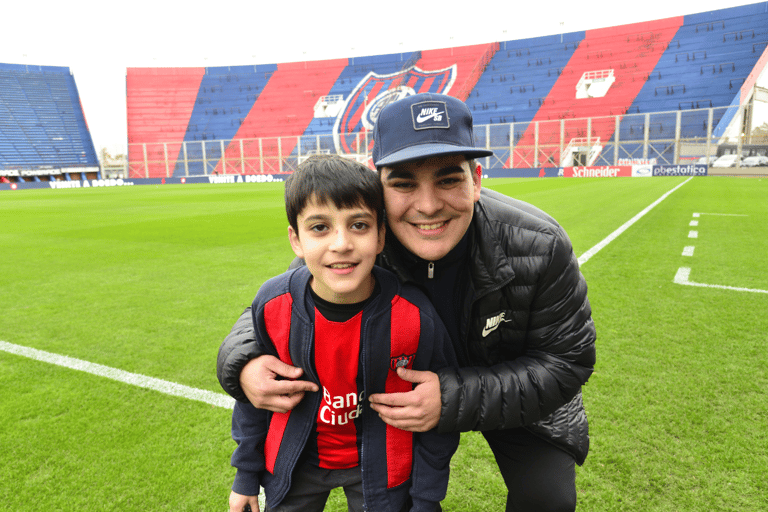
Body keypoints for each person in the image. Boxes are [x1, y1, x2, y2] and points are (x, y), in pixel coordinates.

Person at [218, 93, 597, 511]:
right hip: (398, 405)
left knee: (548, 499)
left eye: (449, 179)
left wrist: (450, 398)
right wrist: (243, 365)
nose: (429, 204)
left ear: (477, 180)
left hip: (514, 394)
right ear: (378, 187)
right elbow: (278, 309)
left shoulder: (540, 244)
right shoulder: (359, 243)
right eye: (403, 183)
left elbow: (566, 361)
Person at [224, 154, 459, 512]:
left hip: (383, 469)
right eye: (320, 228)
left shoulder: (415, 315)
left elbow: (438, 413)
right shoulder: (273, 304)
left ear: (381, 236)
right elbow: (253, 396)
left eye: (359, 225)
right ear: (296, 240)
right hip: (296, 460)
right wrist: (245, 476)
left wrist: (426, 501)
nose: (341, 244)